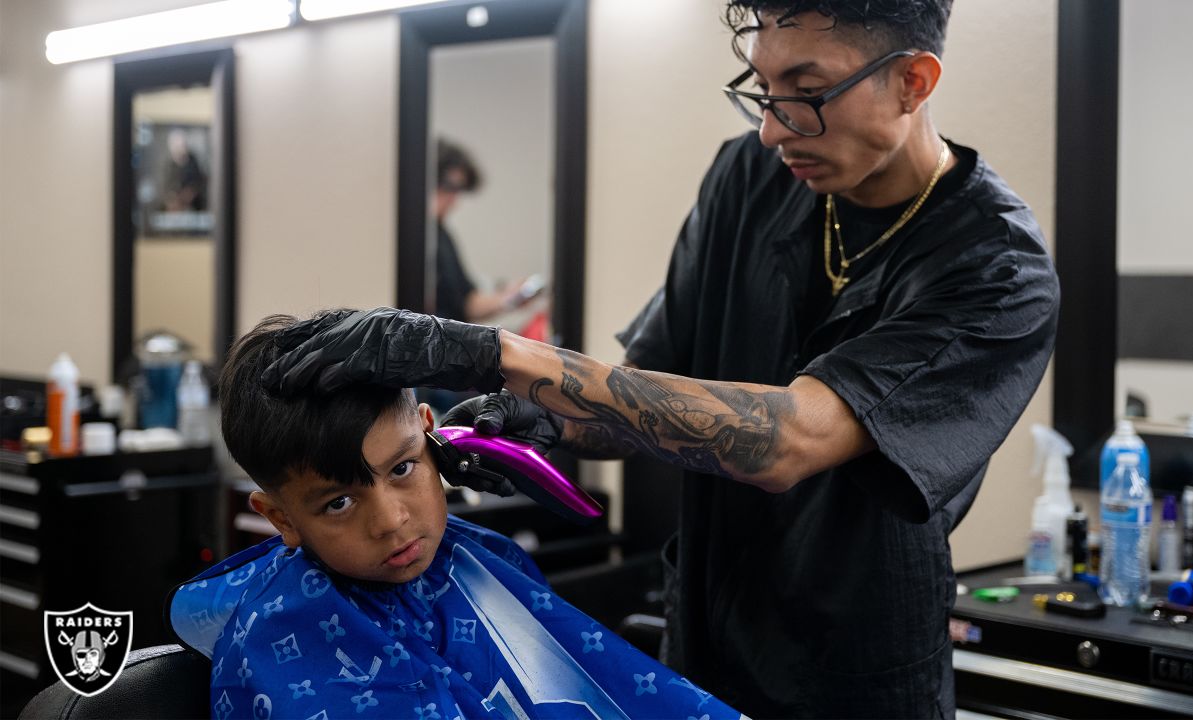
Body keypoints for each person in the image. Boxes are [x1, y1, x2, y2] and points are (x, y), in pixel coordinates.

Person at [261, 1, 1060, 716]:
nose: (773, 129)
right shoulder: (749, 177)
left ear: (914, 81)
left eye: (806, 94)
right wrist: (542, 421)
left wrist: (484, 352)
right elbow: (645, 396)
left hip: (856, 668)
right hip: (706, 638)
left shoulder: (997, 271)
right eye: (762, 88)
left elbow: (788, 440)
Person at [168, 311, 743, 719]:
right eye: (339, 501)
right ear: (280, 518)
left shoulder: (483, 561)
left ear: (429, 431)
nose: (391, 520)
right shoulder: (281, 636)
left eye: (402, 468)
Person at [432, 139, 536, 324]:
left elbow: (465, 303)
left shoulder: (441, 236)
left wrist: (510, 298)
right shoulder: (416, 238)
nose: (454, 201)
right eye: (448, 188)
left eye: (458, 191)